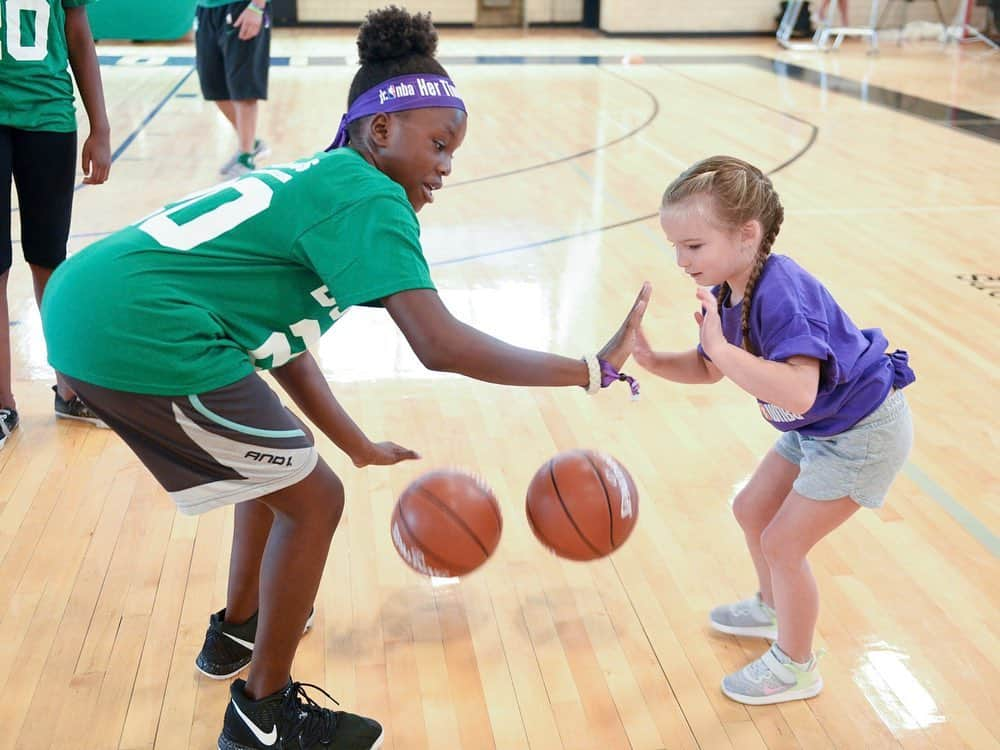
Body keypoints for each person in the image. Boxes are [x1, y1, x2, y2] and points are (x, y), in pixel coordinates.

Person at [41, 7, 650, 748]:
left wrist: (355, 440)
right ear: (382, 130)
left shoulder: (327, 180)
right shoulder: (370, 197)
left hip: (99, 303)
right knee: (313, 497)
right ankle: (261, 713)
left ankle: (238, 632)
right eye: (440, 142)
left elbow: (286, 347)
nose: (448, 164)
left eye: (454, 150)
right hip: (135, 327)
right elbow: (439, 344)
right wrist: (590, 368)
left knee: (280, 468)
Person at [632, 156, 914, 705]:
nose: (680, 260)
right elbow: (711, 368)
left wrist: (717, 347)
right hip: (818, 426)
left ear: (746, 235)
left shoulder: (783, 290)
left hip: (861, 432)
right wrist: (655, 360)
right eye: (675, 246)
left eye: (693, 246)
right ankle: (771, 608)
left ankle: (797, 665)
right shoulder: (729, 287)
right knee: (751, 511)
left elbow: (797, 390)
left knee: (784, 543)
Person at [0, 0, 111, 449]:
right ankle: (2, 401)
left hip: (48, 116)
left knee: (49, 260)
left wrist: (99, 126)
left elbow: (78, 32)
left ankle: (69, 389)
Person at [196, 0, 272, 177]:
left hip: (242, 6)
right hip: (206, 9)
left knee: (244, 88)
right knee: (214, 88)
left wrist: (257, 7)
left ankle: (246, 157)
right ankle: (252, 144)